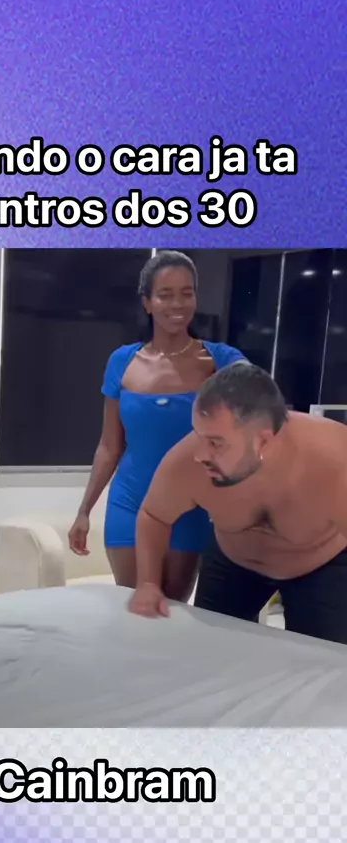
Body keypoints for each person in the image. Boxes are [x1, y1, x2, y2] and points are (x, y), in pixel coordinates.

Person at [68, 250, 247, 600]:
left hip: (188, 506)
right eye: (165, 295)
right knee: (132, 607)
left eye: (186, 293)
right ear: (147, 303)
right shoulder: (122, 361)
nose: (177, 304)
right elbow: (110, 446)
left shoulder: (221, 361)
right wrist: (84, 511)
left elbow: (256, 412)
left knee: (171, 612)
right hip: (129, 502)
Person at [128, 362, 347, 645]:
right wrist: (147, 583)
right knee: (210, 649)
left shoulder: (335, 463)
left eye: (216, 443)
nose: (199, 454)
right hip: (233, 560)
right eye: (198, 434)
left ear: (263, 441)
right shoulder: (186, 463)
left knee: (322, 660)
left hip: (320, 566)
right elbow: (154, 515)